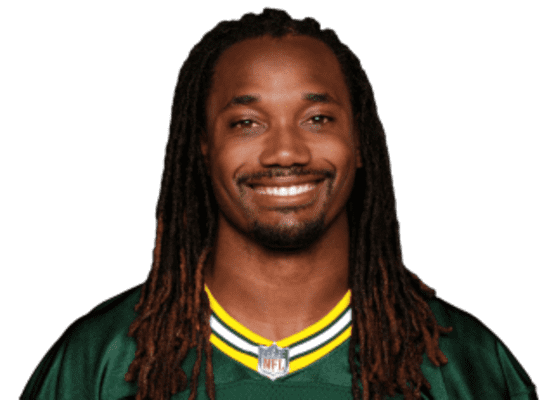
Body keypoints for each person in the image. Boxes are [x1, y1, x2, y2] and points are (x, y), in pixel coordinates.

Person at [20, 7, 538, 400]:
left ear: (361, 142)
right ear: (202, 147)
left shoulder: (462, 362)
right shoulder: (102, 360)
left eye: (318, 119)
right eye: (247, 123)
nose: (286, 152)